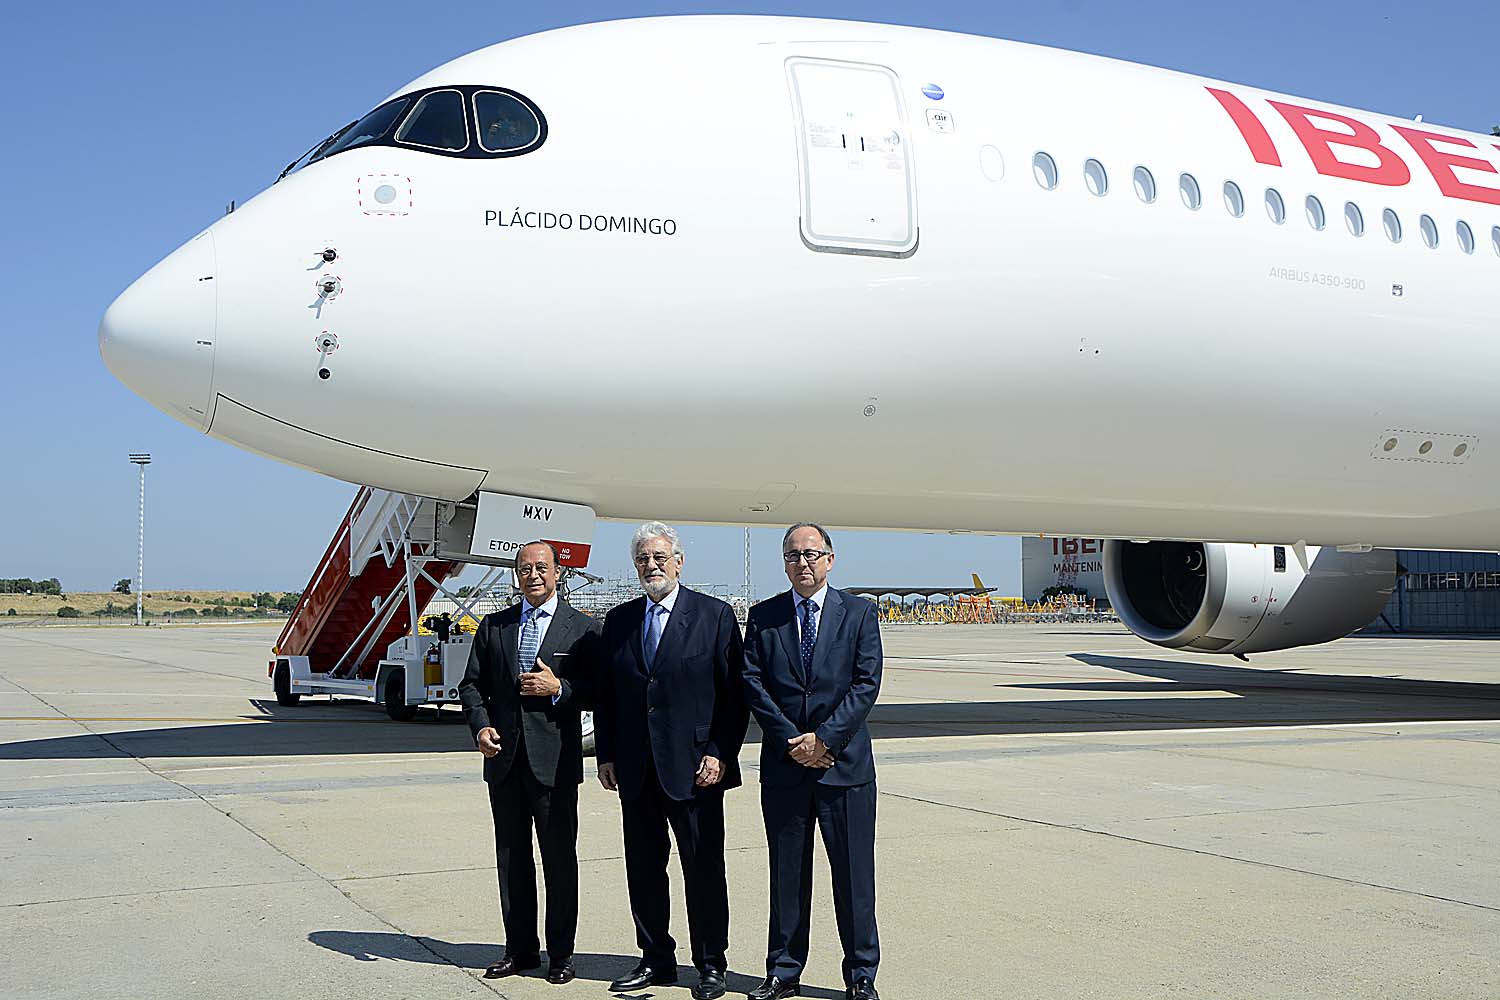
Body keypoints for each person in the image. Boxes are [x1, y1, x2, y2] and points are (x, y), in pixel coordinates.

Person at [594, 522, 750, 1000]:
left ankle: (710, 964)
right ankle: (655, 958)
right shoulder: (618, 622)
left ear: (679, 562)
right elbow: (608, 696)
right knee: (643, 869)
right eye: (643, 558)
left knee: (703, 869)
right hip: (637, 770)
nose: (652, 565)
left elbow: (735, 696)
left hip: (696, 769)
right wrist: (606, 754)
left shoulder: (714, 615)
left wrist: (720, 753)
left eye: (660, 556)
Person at [742, 523, 883, 1000]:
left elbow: (866, 684)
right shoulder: (764, 617)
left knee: (854, 877)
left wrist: (824, 740)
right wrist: (792, 741)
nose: (803, 562)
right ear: (784, 562)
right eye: (793, 555)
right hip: (786, 768)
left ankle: (861, 973)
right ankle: (783, 969)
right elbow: (752, 682)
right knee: (786, 875)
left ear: (830, 559)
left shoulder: (860, 613)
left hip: (845, 770)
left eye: (811, 553)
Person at [457, 540, 601, 985]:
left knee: (559, 861)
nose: (533, 574)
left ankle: (561, 954)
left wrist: (559, 688)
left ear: (559, 573)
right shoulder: (495, 627)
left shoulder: (584, 629)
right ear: (515, 575)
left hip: (554, 763)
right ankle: (519, 951)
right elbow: (471, 686)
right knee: (512, 859)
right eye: (524, 568)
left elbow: (598, 690)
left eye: (541, 567)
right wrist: (480, 727)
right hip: (504, 763)